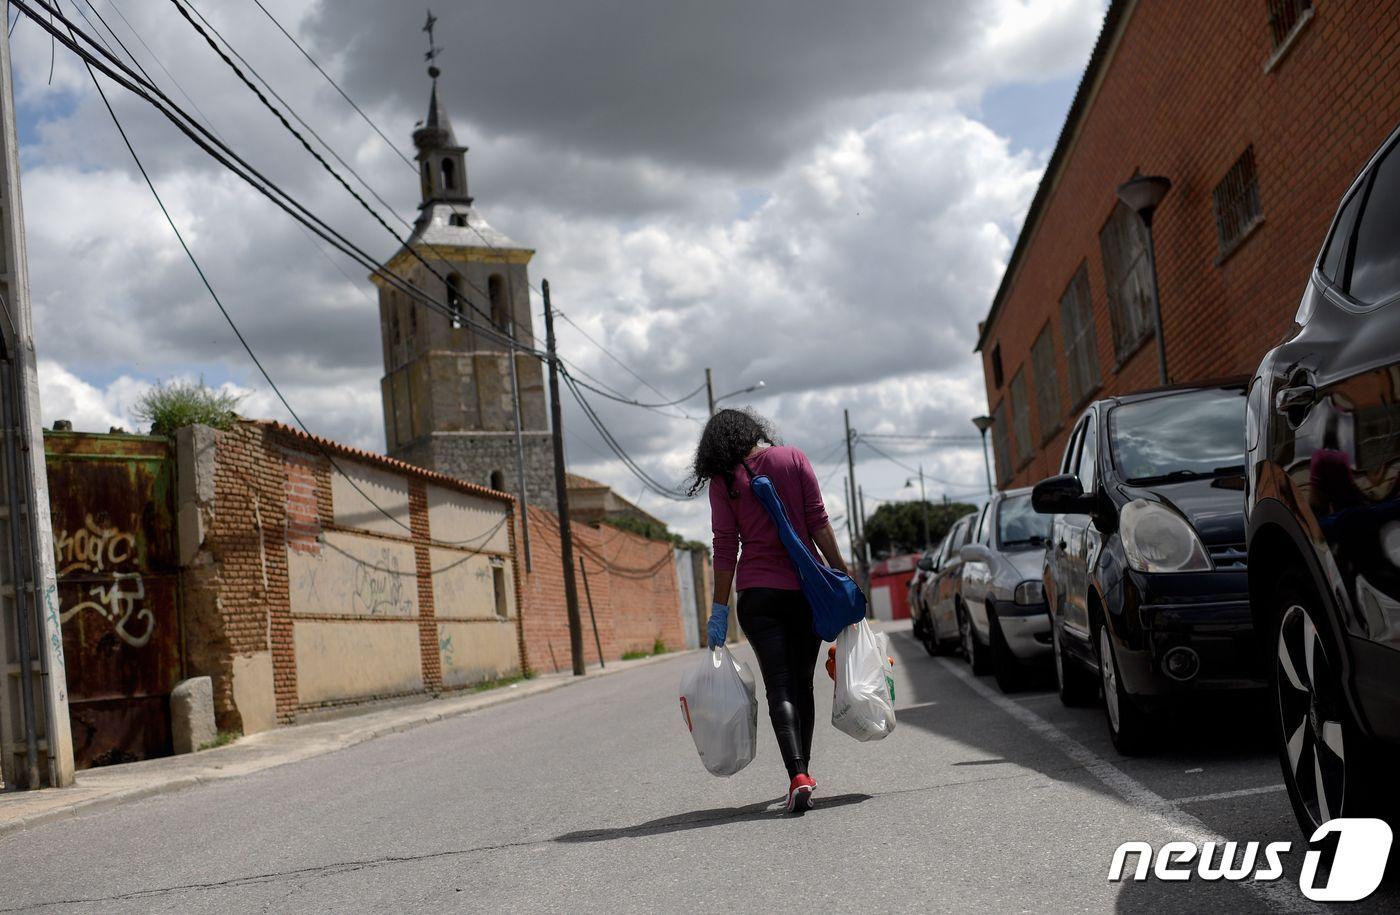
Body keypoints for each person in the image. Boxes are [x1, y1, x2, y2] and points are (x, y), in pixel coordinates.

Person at [687, 408, 851, 813]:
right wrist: (842, 575)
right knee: (802, 685)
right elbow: (818, 523)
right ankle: (803, 773)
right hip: (806, 590)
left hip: (757, 595)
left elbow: (725, 546)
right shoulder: (793, 458)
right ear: (754, 430)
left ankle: (797, 774)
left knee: (779, 686)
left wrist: (719, 610)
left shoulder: (725, 481)